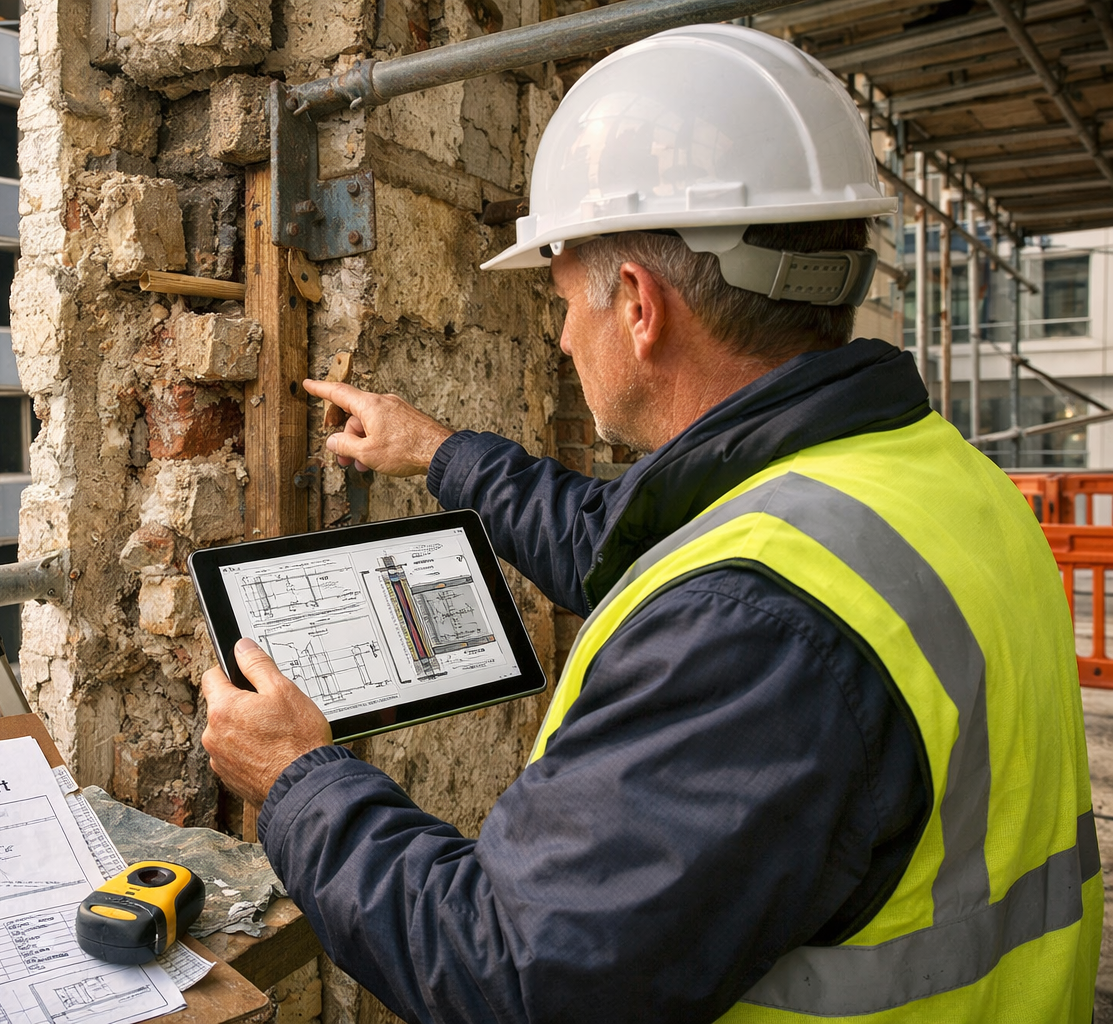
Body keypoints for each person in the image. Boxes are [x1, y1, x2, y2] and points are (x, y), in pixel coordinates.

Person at [199, 24, 1100, 1023]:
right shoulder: (930, 479)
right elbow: (627, 548)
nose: (561, 332)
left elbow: (517, 971)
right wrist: (440, 451)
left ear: (636, 303)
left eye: (559, 297)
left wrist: (296, 779)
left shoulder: (758, 625)